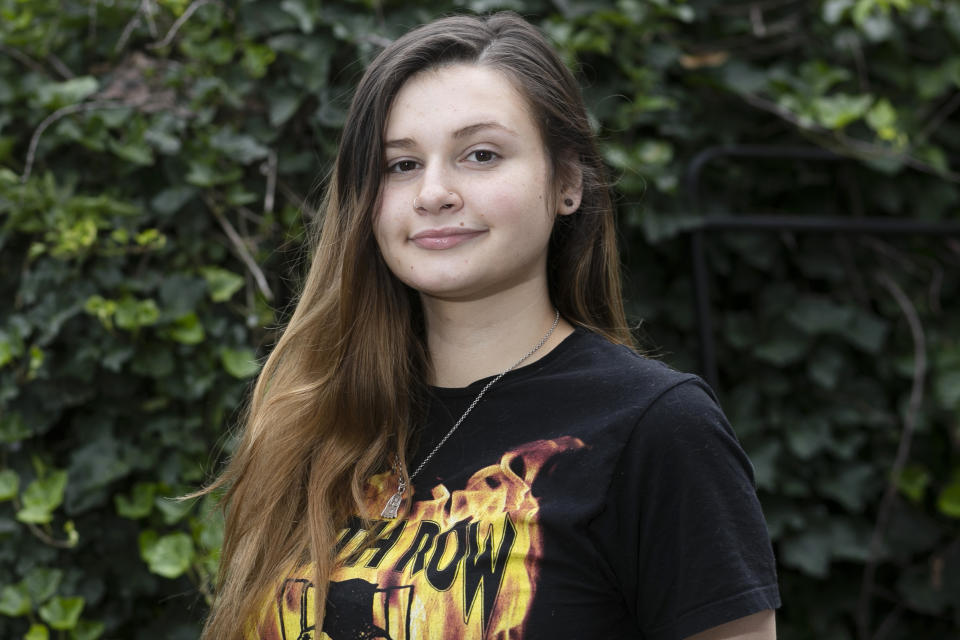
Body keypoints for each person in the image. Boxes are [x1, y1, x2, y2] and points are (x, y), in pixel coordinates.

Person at [199, 12, 780, 640]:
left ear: (567, 182)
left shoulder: (656, 429)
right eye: (400, 165)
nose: (435, 192)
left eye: (481, 155)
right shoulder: (311, 422)